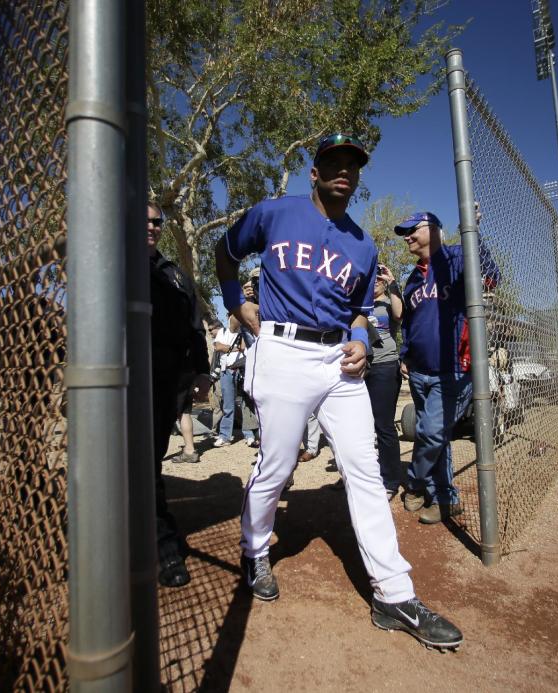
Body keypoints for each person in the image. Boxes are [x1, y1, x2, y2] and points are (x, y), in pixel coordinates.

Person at [214, 133, 462, 649]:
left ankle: (394, 595)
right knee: (278, 466)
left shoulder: (363, 244)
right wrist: (238, 305)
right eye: (333, 161)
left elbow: (360, 310)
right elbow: (225, 252)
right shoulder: (274, 213)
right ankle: (254, 547)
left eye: (352, 163)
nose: (344, 170)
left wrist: (359, 342)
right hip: (282, 351)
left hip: (339, 364)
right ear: (315, 171)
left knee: (365, 471)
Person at [395, 210, 499, 525]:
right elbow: (410, 323)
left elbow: (491, 275)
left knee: (430, 431)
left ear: (435, 229)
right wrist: (405, 354)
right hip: (419, 371)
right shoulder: (412, 278)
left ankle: (414, 482)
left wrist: (473, 233)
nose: (408, 236)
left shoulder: (456, 256)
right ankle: (444, 498)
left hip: (453, 369)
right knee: (436, 438)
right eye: (405, 233)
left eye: (413, 229)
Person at [148, 201, 212, 587]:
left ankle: (157, 542)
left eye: (157, 221)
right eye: (144, 221)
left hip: (165, 384)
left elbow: (196, 326)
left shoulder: (175, 275)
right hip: (120, 383)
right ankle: (160, 544)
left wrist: (202, 370)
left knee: (149, 463)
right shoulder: (112, 264)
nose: (152, 226)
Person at [365, 264, 405, 500]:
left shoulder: (390, 302)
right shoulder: (361, 303)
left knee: (384, 425)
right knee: (361, 426)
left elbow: (400, 315)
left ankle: (390, 480)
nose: (375, 281)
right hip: (362, 367)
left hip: (384, 366)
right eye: (373, 277)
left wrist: (391, 282)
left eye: (378, 278)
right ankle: (364, 476)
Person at [212, 316, 256, 447]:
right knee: (228, 405)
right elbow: (218, 347)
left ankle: (249, 434)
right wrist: (235, 347)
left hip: (243, 369)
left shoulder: (245, 331)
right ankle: (225, 436)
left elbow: (244, 347)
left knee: (246, 403)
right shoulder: (223, 331)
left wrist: (230, 347)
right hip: (227, 370)